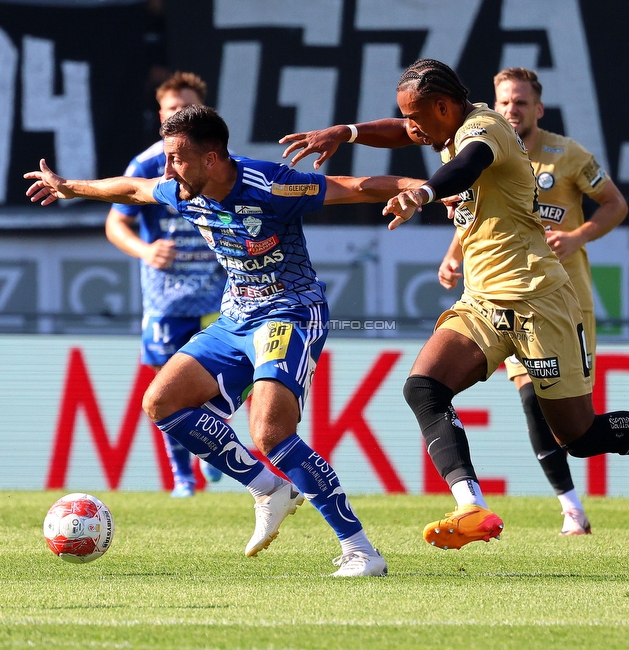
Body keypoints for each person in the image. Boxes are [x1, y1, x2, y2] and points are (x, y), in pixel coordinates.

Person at [281, 58, 629, 551]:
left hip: (538, 301)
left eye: (417, 116)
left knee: (579, 437)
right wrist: (347, 131)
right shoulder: (444, 121)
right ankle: (472, 506)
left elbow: (468, 165)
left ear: (444, 106)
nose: (412, 128)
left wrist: (422, 191)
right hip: (482, 302)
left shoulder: (486, 129)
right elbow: (401, 131)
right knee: (423, 387)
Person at [27, 104, 423, 576]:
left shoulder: (271, 185)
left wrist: (421, 190)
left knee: (270, 432)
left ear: (213, 158)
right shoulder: (182, 190)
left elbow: (354, 188)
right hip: (235, 318)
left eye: (177, 157)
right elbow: (132, 189)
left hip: (290, 312)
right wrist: (71, 188)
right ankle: (267, 486)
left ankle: (361, 551)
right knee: (161, 401)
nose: (168, 169)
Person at [434, 68, 628, 535]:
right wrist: (452, 255)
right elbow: (480, 213)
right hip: (502, 299)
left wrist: (578, 236)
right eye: (504, 101)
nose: (511, 110)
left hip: (563, 302)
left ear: (538, 109)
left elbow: (616, 205)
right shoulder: (479, 145)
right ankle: (570, 506)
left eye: (520, 102)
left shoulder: (569, 156)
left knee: (575, 429)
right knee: (529, 403)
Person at [105, 71, 225, 498]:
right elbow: (115, 223)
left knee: (216, 388)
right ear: (161, 114)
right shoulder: (147, 165)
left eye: (186, 108)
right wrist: (144, 250)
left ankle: (213, 452)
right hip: (165, 299)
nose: (179, 115)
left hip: (216, 296)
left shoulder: (217, 160)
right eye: (172, 109)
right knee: (164, 390)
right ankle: (183, 479)